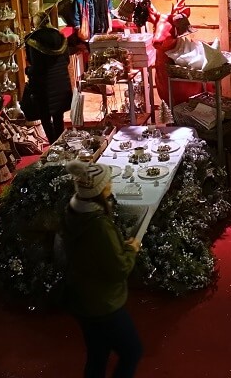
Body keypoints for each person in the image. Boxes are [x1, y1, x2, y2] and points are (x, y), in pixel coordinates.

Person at [63, 162, 143, 378]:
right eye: (108, 180)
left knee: (97, 355)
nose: (111, 182)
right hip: (102, 303)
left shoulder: (73, 210)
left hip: (81, 299)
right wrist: (131, 249)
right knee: (132, 352)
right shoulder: (99, 226)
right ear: (100, 189)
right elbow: (119, 269)